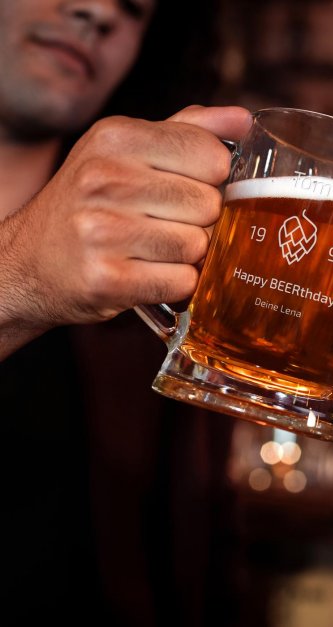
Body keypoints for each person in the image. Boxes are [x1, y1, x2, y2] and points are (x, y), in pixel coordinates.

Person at [0, 1, 251, 624]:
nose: (97, 12)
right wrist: (19, 272)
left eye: (135, 8)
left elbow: (192, 559)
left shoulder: (159, 295)